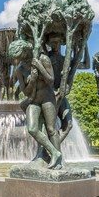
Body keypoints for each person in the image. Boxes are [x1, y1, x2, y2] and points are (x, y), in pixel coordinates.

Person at [9, 39, 62, 169]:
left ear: (26, 51)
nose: (18, 60)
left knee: (51, 129)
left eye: (20, 56)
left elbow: (51, 81)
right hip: (33, 100)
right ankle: (55, 153)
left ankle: (59, 162)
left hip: (47, 98)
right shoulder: (20, 69)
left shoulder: (43, 59)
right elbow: (26, 92)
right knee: (32, 128)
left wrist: (40, 67)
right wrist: (32, 80)